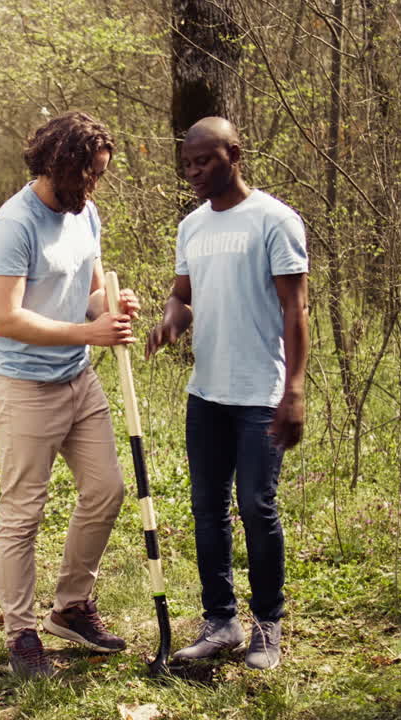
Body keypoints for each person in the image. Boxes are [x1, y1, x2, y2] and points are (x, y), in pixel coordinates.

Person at [146, 116, 309, 671]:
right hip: (207, 392)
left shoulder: (274, 219)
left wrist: (295, 389)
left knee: (257, 507)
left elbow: (295, 309)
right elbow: (183, 296)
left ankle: (268, 626)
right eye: (187, 163)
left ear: (234, 154)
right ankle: (220, 622)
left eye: (204, 161)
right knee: (206, 510)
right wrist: (171, 322)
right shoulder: (191, 226)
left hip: (260, 390)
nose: (193, 172)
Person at [0, 111, 141, 677]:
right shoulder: (15, 224)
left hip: (78, 377)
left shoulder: (86, 213)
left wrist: (112, 310)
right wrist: (87, 331)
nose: (94, 187)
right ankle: (21, 633)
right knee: (23, 513)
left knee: (107, 490)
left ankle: (72, 607)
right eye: (89, 175)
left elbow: (92, 292)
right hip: (24, 385)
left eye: (100, 176)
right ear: (60, 166)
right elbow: (6, 319)